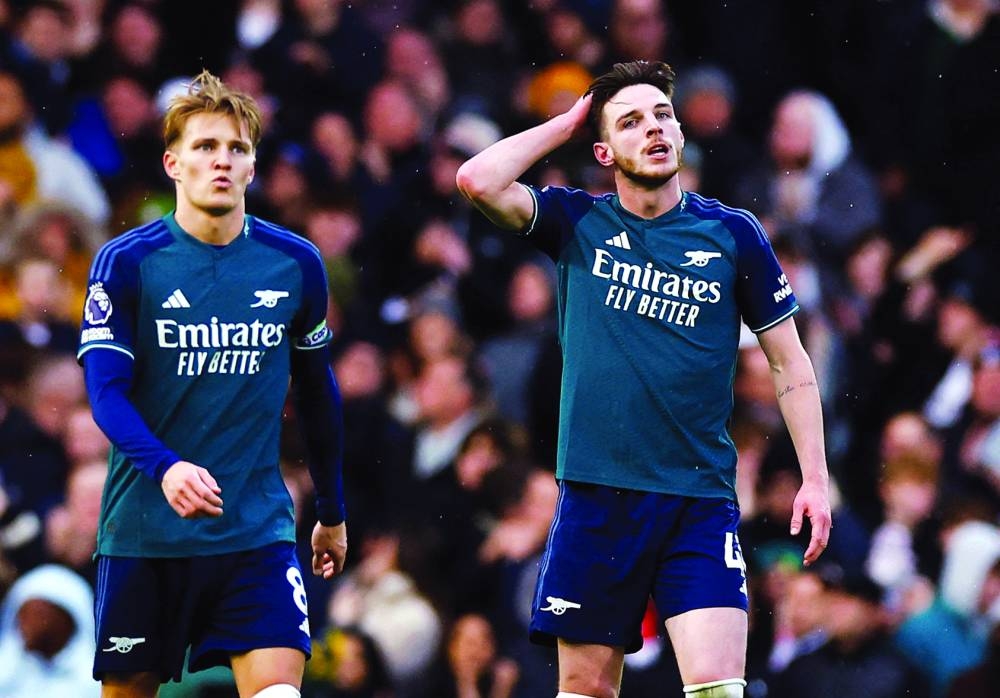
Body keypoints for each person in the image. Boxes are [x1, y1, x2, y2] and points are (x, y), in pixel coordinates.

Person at [456, 60, 832, 698]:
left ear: (681, 134)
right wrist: (567, 124)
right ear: (603, 151)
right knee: (587, 689)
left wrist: (815, 478)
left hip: (697, 500)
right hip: (597, 499)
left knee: (718, 686)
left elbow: (790, 363)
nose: (653, 128)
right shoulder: (578, 221)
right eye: (630, 122)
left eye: (663, 115)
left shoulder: (732, 234)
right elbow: (477, 179)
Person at [77, 70, 347, 698]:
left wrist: (332, 512)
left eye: (236, 148)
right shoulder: (126, 262)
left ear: (253, 166)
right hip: (146, 533)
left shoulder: (296, 264)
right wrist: (166, 467)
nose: (222, 160)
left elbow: (317, 393)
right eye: (205, 146)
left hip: (255, 533)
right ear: (173, 164)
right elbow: (106, 394)